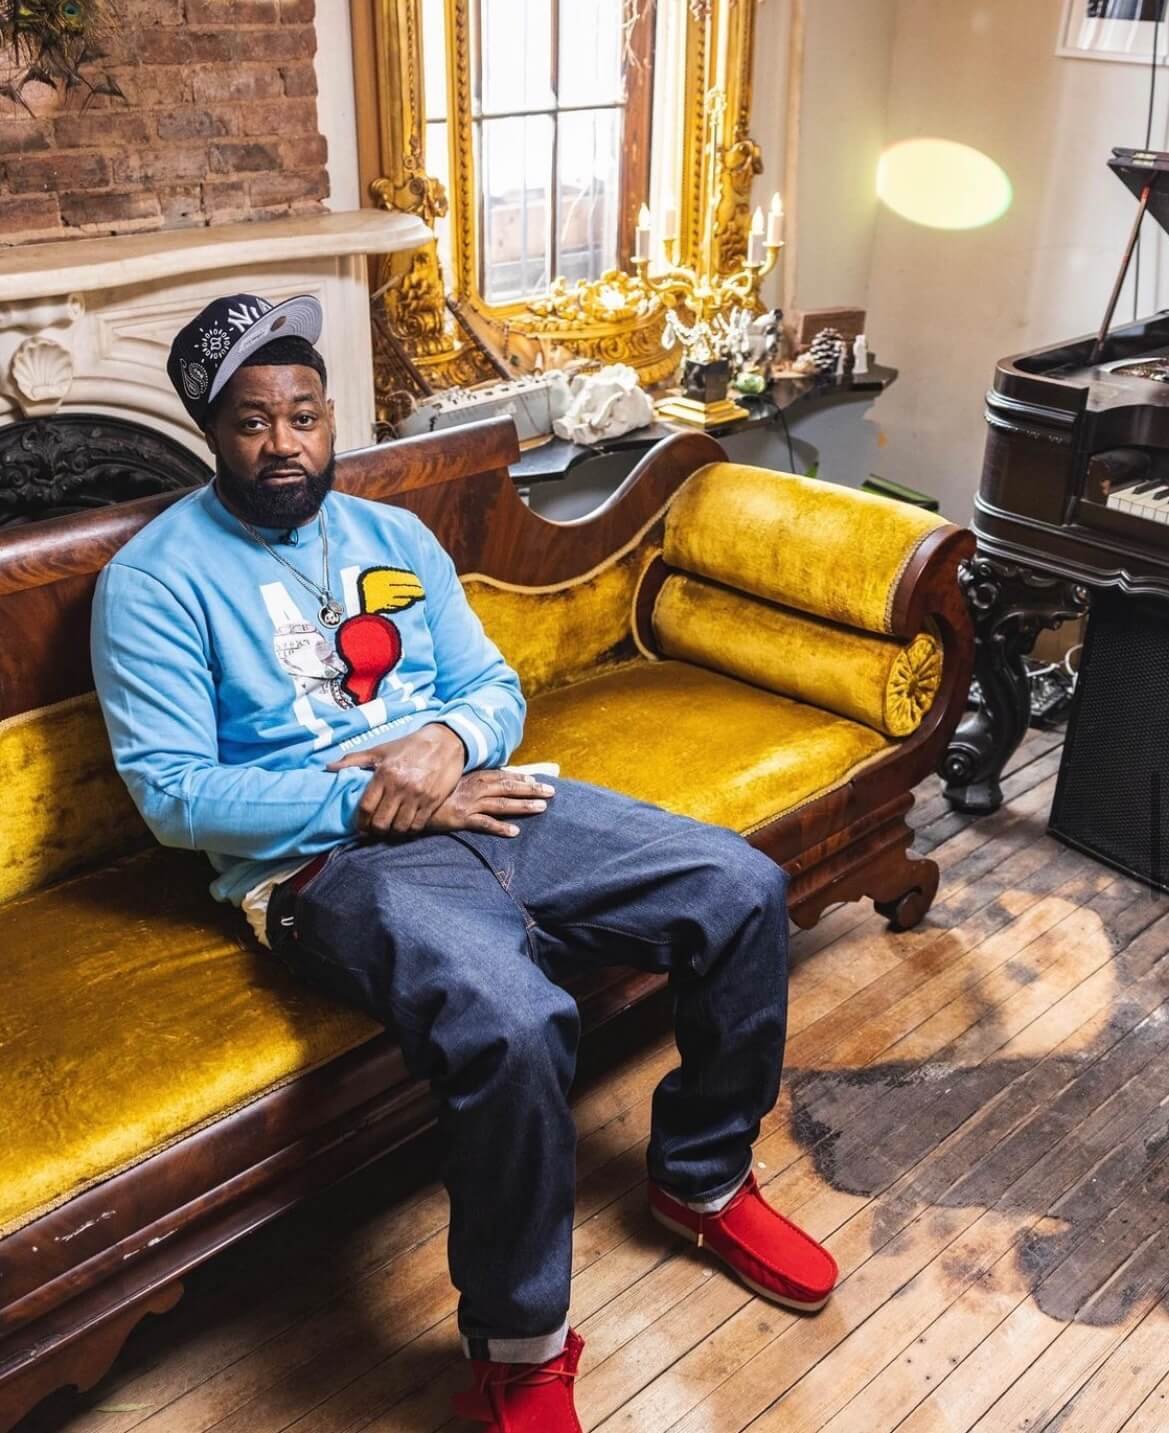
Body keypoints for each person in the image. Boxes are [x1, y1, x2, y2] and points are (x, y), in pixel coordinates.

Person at [91, 293, 838, 1433]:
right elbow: (173, 794)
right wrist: (374, 794)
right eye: (252, 421)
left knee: (738, 886)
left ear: (330, 416)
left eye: (303, 414)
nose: (285, 442)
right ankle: (521, 1347)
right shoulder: (153, 580)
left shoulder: (392, 536)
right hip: (323, 861)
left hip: (486, 798)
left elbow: (490, 685)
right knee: (514, 1020)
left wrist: (443, 741)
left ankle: (702, 1178)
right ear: (213, 433)